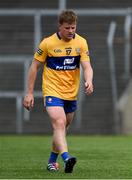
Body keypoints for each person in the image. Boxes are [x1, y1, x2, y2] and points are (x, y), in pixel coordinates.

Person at [23, 9, 93, 173]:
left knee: (62, 128)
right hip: (52, 90)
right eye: (67, 28)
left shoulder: (81, 42)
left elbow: (87, 66)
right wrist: (29, 92)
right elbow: (34, 66)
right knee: (59, 123)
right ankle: (67, 158)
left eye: (73, 28)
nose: (71, 31)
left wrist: (89, 80)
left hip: (71, 93)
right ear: (60, 27)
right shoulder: (48, 43)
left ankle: (51, 162)